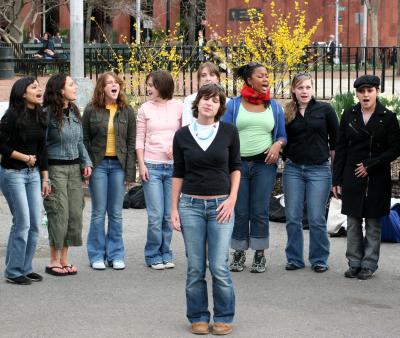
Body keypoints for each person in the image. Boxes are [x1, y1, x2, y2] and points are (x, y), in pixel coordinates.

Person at [171, 83, 241, 335]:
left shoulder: (229, 132)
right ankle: (199, 316)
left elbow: (235, 168)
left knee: (219, 265)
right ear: (197, 102)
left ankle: (223, 315)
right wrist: (174, 209)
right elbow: (178, 173)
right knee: (195, 266)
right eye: (205, 98)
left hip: (221, 205)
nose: (209, 103)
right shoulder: (182, 135)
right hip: (190, 205)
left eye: (215, 100)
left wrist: (232, 199)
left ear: (221, 106)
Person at [333, 75, 400, 280]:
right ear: (357, 94)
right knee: (352, 221)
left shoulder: (387, 117)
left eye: (369, 91)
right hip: (352, 174)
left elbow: (396, 148)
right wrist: (336, 180)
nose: (365, 95)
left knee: (373, 223)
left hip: (377, 176)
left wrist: (371, 165)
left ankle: (369, 264)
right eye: (362, 91)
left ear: (377, 92)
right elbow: (341, 147)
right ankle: (354, 262)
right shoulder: (349, 114)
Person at [221, 62, 287, 273]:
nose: (266, 79)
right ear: (249, 80)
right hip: (238, 165)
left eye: (267, 75)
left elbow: (282, 135)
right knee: (240, 210)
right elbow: (224, 134)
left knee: (259, 210)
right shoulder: (233, 105)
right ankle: (239, 252)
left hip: (264, 165)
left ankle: (260, 254)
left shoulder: (274, 106)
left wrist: (278, 145)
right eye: (261, 76)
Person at [283, 71, 339, 273]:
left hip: (319, 169)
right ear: (293, 90)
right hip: (293, 169)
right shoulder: (287, 111)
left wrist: (335, 172)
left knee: (316, 217)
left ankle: (319, 259)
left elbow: (336, 142)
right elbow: (283, 139)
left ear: (312, 89)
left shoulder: (325, 110)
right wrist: (285, 157)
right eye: (300, 87)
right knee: (292, 216)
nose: (304, 91)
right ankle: (294, 258)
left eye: (307, 87)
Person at [82, 72, 136, 270]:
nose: (114, 85)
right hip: (99, 165)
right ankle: (96, 255)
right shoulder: (91, 110)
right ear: (102, 88)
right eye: (109, 83)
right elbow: (84, 140)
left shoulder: (127, 110)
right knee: (98, 212)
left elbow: (131, 143)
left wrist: (130, 173)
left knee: (116, 213)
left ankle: (115, 255)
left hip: (118, 166)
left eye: (116, 83)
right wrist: (85, 166)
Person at [0, 77, 50, 285]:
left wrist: (45, 177)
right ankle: (13, 271)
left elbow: (43, 149)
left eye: (39, 87)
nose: (39, 90)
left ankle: (25, 267)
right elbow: (1, 145)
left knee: (35, 225)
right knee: (22, 223)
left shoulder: (40, 115)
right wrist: (24, 158)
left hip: (33, 175)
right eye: (34, 87)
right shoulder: (12, 115)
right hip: (13, 174)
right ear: (23, 93)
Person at [42, 73, 92, 276]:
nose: (75, 87)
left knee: (74, 214)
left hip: (74, 170)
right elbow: (42, 146)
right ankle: (53, 260)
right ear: (60, 90)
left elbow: (79, 142)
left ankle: (64, 259)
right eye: (71, 85)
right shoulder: (46, 114)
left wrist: (86, 162)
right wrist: (44, 176)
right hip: (55, 169)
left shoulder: (73, 111)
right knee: (58, 213)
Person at [136, 70, 183, 270]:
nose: (148, 88)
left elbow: (184, 135)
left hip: (173, 168)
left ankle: (166, 252)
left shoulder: (179, 107)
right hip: (152, 166)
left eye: (152, 85)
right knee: (155, 216)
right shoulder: (144, 109)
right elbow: (139, 139)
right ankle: (153, 254)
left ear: (163, 86)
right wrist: (142, 165)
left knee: (167, 216)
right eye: (148, 84)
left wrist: (177, 149)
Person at [182, 62, 228, 127]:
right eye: (203, 75)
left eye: (212, 75)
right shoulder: (189, 100)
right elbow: (186, 125)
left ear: (218, 79)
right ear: (199, 79)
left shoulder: (227, 101)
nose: (208, 79)